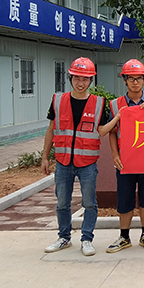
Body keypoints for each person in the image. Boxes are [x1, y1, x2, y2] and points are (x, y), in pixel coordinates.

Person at [42, 57, 109, 256]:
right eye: (77, 78)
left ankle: (87, 239)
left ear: (91, 81)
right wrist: (45, 157)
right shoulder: (58, 101)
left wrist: (119, 116)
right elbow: (51, 130)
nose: (81, 83)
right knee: (62, 203)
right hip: (63, 162)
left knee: (89, 203)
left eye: (85, 79)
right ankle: (64, 237)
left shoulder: (98, 104)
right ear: (70, 78)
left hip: (87, 163)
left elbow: (102, 130)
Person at [98, 59, 144, 253]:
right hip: (125, 161)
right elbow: (110, 132)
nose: (135, 82)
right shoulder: (116, 104)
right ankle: (124, 237)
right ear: (124, 80)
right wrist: (114, 155)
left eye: (139, 78)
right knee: (125, 198)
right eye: (131, 78)